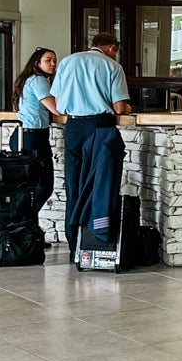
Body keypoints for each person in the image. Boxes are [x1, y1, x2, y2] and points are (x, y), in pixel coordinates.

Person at [52, 32, 132, 256]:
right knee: (99, 183)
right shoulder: (112, 66)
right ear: (112, 48)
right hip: (101, 127)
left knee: (74, 183)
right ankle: (96, 239)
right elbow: (118, 107)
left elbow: (58, 104)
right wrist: (127, 108)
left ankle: (73, 241)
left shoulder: (68, 62)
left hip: (74, 127)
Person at [12, 48, 60, 240]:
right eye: (48, 60)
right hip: (32, 136)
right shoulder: (38, 80)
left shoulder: (31, 80)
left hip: (26, 135)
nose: (53, 64)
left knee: (32, 187)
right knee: (43, 186)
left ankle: (28, 230)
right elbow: (56, 109)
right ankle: (23, 225)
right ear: (37, 63)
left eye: (55, 60)